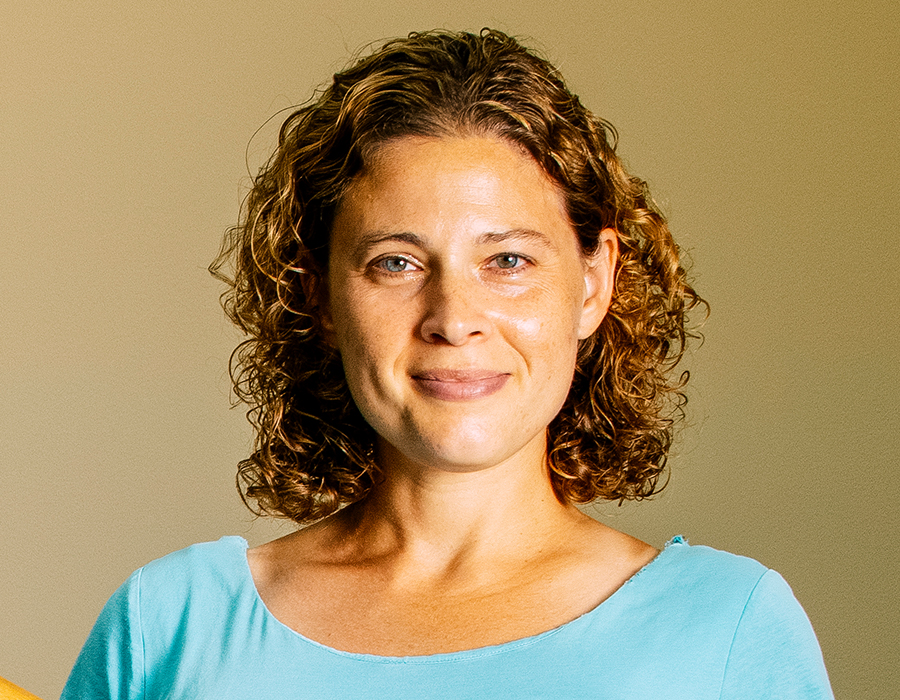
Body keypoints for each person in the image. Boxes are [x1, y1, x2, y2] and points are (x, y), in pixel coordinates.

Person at [61, 29, 833, 698]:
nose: (454, 318)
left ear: (593, 283)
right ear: (320, 297)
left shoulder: (727, 627)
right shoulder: (170, 625)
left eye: (506, 259)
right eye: (396, 263)